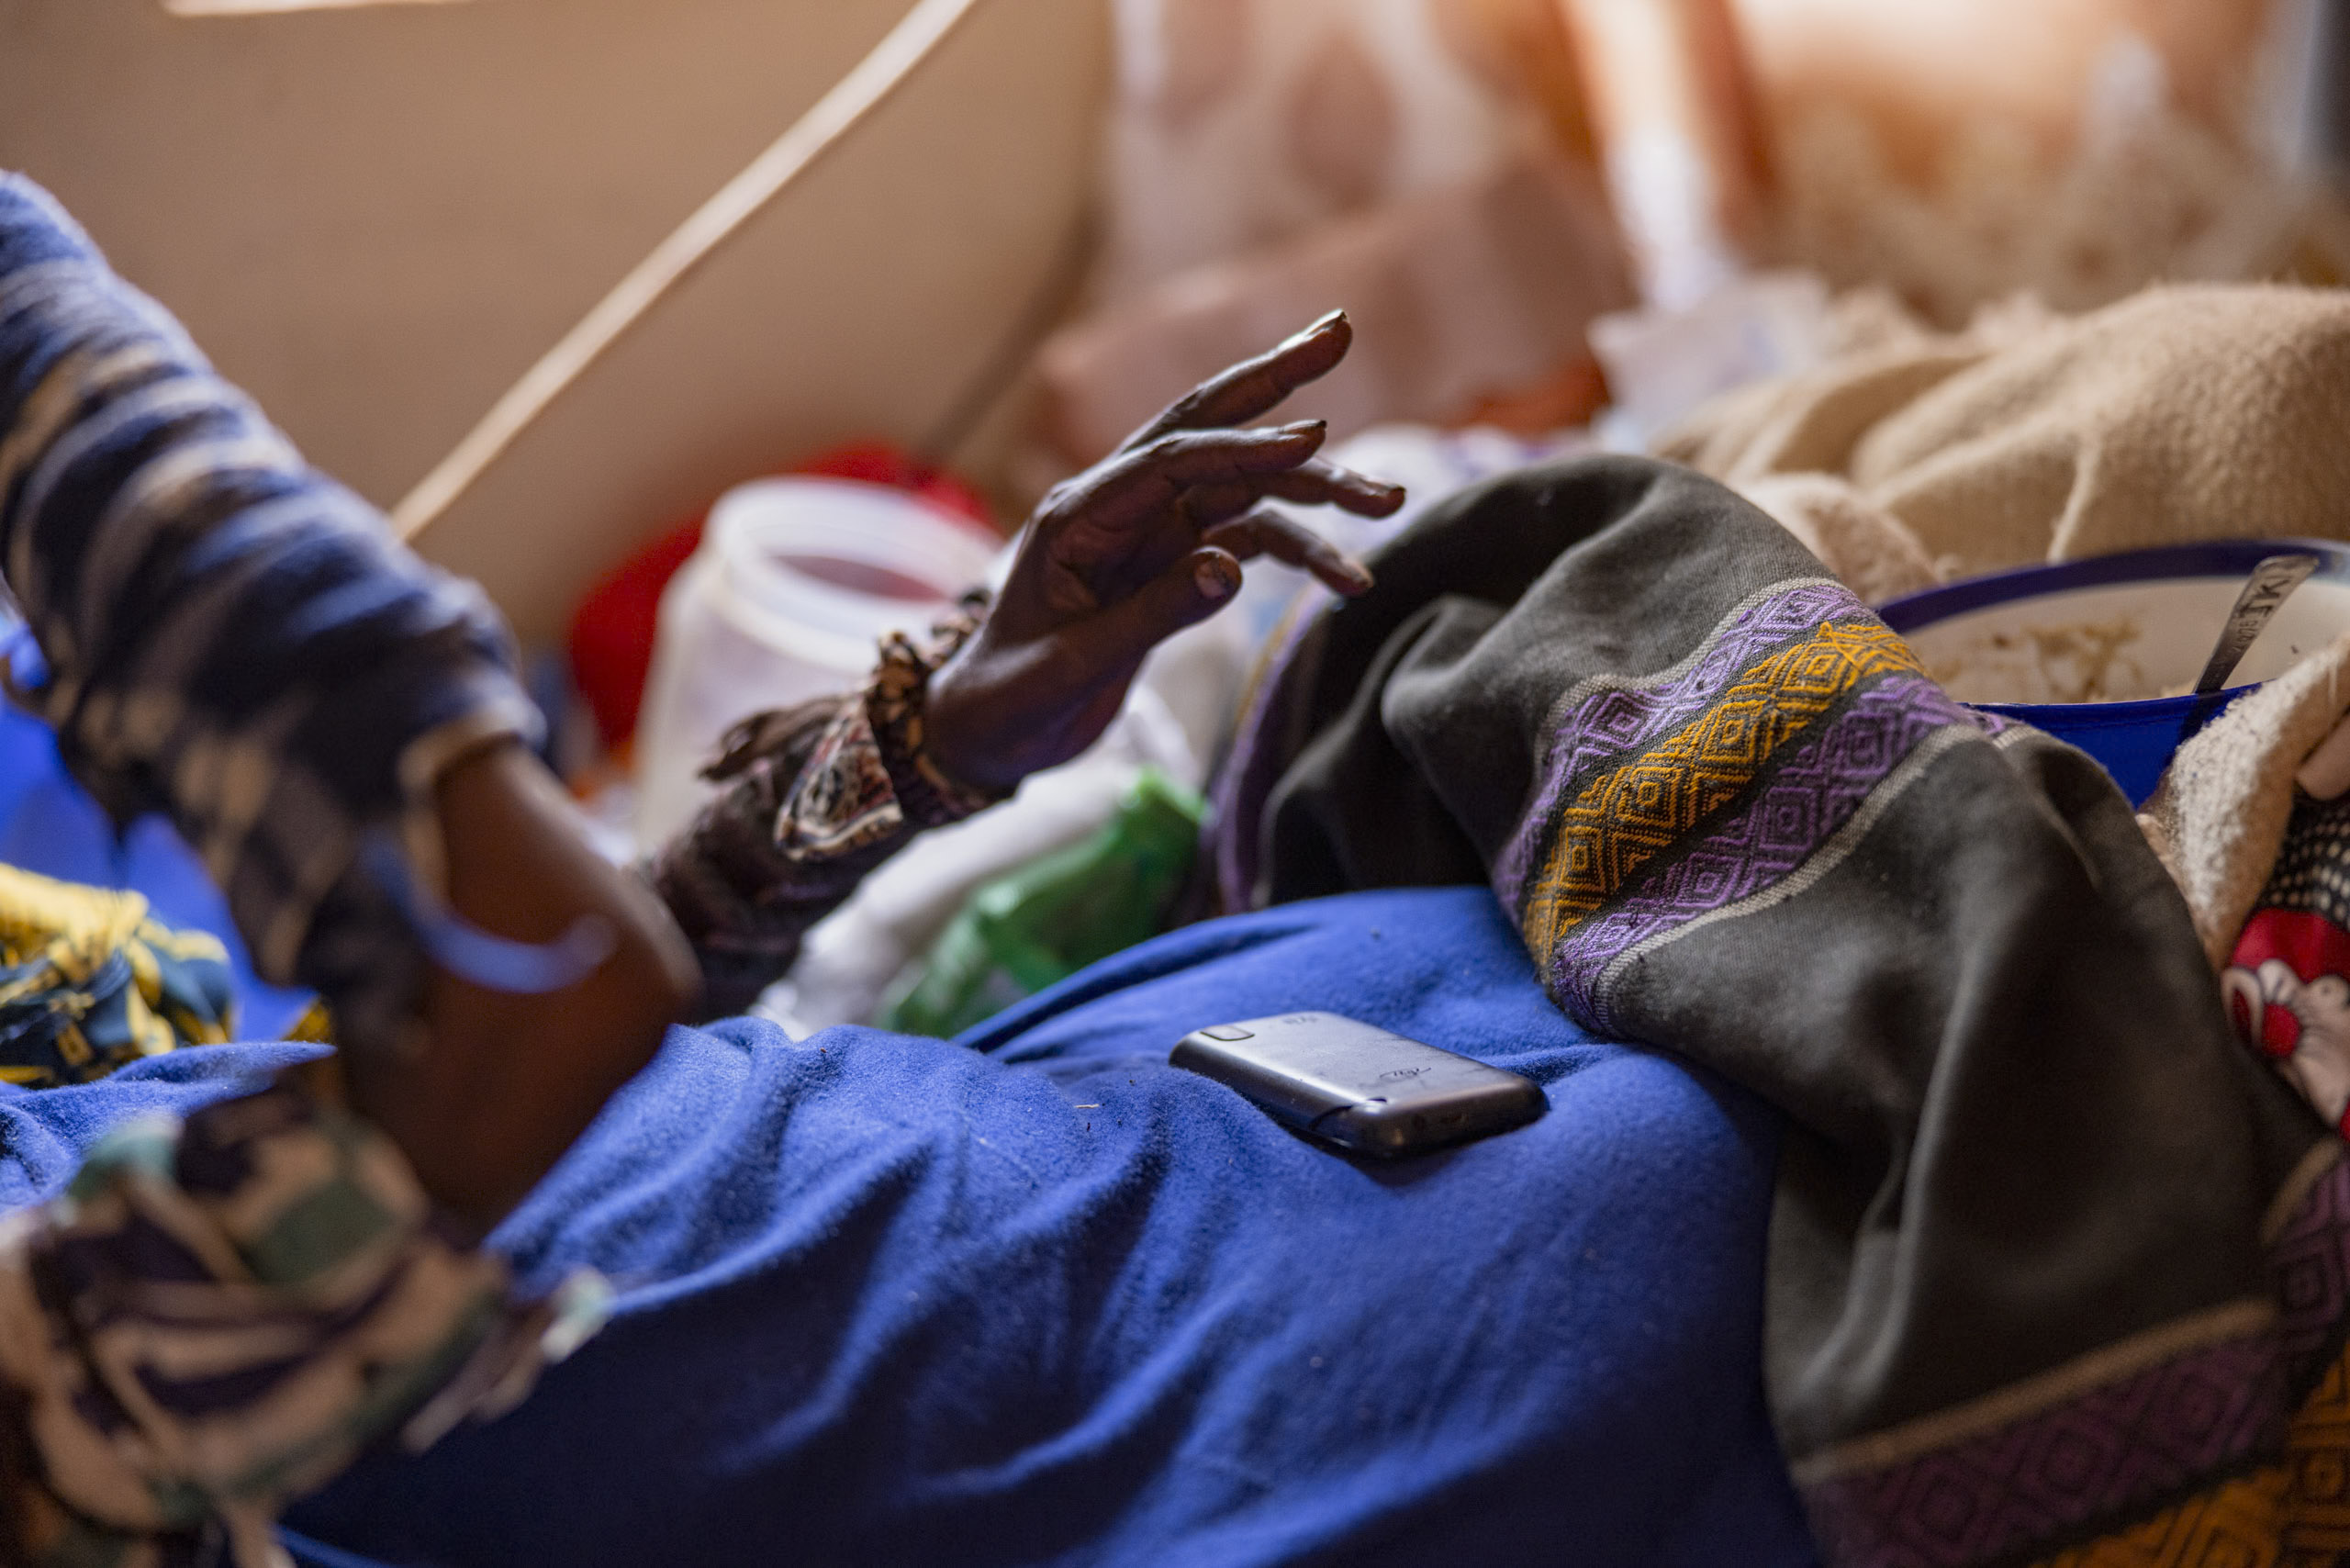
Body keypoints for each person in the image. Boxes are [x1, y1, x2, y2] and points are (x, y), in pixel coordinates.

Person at [0, 172, 1818, 1566]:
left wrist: (923, 730)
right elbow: (524, 1006)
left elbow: (468, 1106)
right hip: (1318, 1376)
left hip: (1141, 1155)